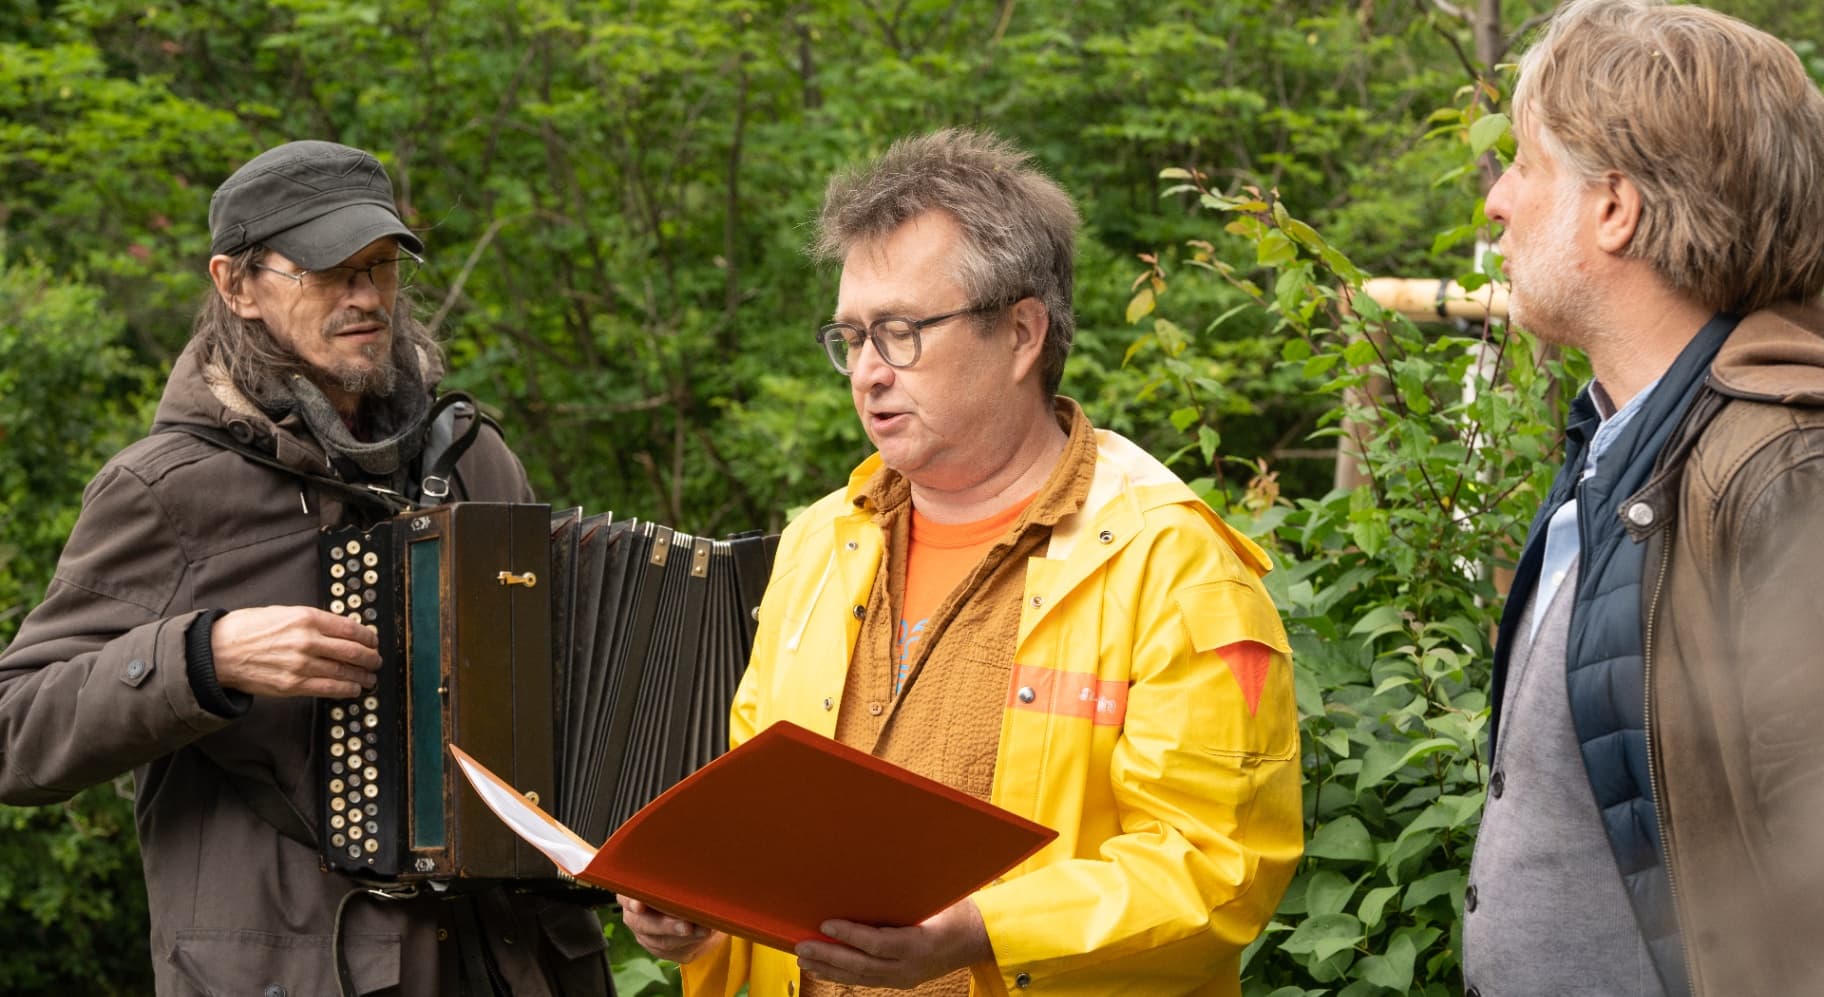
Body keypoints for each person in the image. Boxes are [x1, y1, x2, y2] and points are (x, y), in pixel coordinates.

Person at [619, 128, 1302, 996]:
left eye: (898, 332)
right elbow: (763, 833)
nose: (866, 372)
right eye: (850, 335)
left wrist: (982, 933)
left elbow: (1221, 867)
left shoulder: (1171, 563)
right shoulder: (820, 543)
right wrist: (699, 911)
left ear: (1021, 333)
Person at [0, 140, 612, 995]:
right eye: (329, 272)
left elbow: (570, 703)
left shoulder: (474, 458)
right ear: (236, 285)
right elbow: (14, 729)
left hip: (513, 965)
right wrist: (202, 658)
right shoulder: (165, 490)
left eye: (380, 267)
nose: (365, 297)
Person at [1462, 2, 1824, 994]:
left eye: (1527, 165)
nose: (1497, 200)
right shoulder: (1627, 440)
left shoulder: (1784, 477)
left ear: (1614, 208)